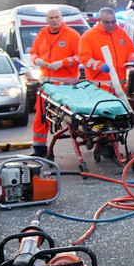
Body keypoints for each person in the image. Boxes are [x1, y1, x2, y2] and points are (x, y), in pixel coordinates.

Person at [28, 8, 82, 158]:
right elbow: (33, 53)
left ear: (61, 18)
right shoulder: (42, 35)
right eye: (51, 17)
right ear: (47, 19)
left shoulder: (72, 35)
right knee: (41, 116)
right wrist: (37, 60)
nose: (54, 20)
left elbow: (81, 56)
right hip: (46, 84)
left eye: (56, 17)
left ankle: (88, 142)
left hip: (66, 86)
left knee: (74, 118)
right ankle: (39, 150)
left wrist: (63, 63)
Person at [79, 7, 134, 84]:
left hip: (122, 83)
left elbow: (131, 51)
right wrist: (99, 66)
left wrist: (132, 60)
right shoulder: (89, 36)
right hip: (100, 85)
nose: (110, 25)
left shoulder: (121, 33)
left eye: (113, 22)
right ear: (99, 20)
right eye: (107, 22)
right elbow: (84, 58)